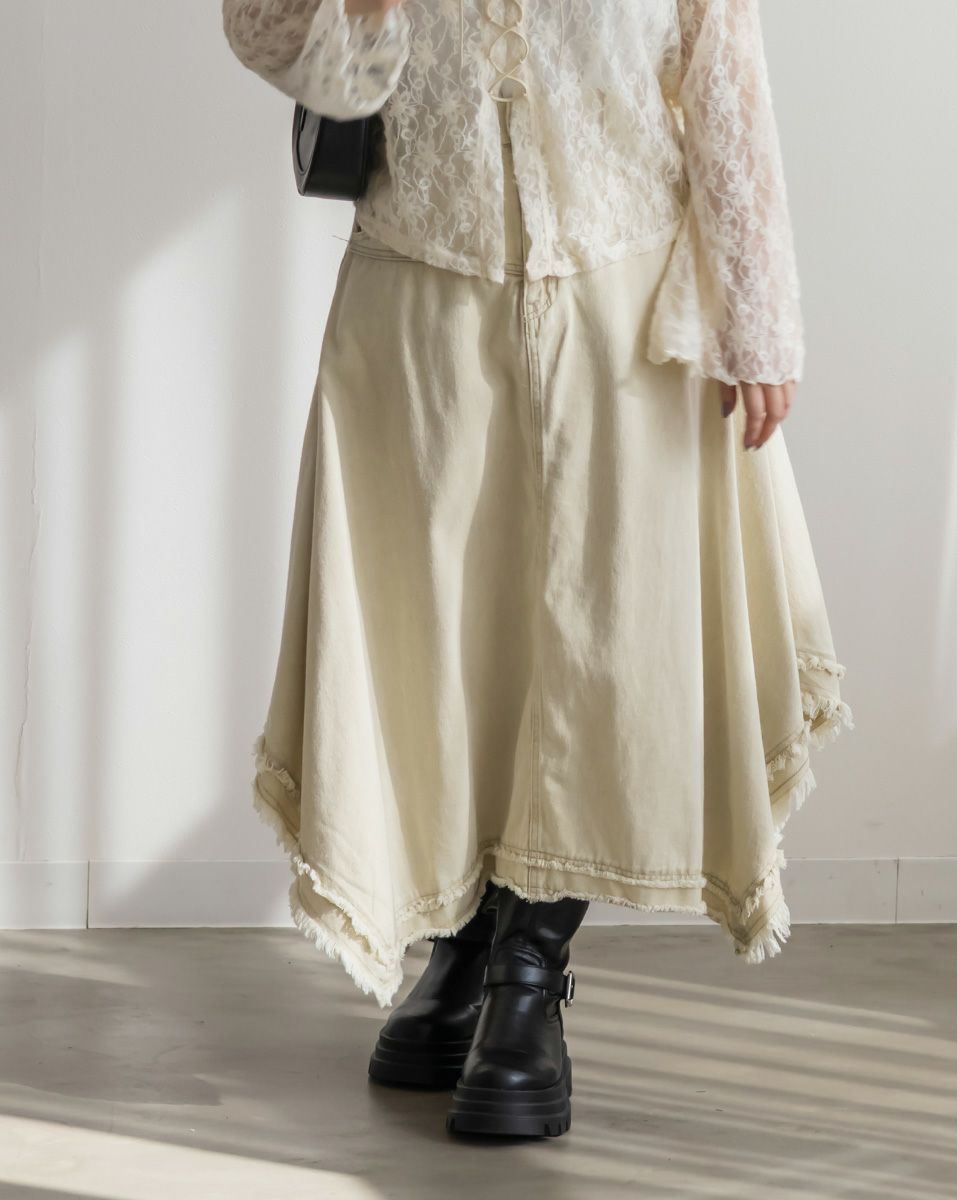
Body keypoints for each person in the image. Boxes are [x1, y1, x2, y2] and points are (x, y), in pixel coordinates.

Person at [222, 0, 854, 1139]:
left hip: (624, 300)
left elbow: (721, 65)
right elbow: (274, 40)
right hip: (420, 288)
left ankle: (530, 970)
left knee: (600, 654)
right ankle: (463, 942)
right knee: (442, 654)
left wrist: (756, 312)